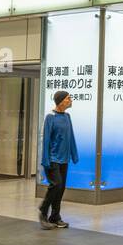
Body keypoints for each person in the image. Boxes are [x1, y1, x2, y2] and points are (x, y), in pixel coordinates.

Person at [39, 90, 77, 229]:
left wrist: (74, 154)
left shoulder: (67, 116)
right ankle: (43, 211)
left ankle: (55, 217)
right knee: (56, 185)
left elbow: (70, 137)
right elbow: (46, 140)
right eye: (68, 98)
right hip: (53, 158)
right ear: (60, 101)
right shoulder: (50, 117)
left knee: (61, 188)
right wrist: (45, 160)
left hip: (64, 159)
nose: (71, 100)